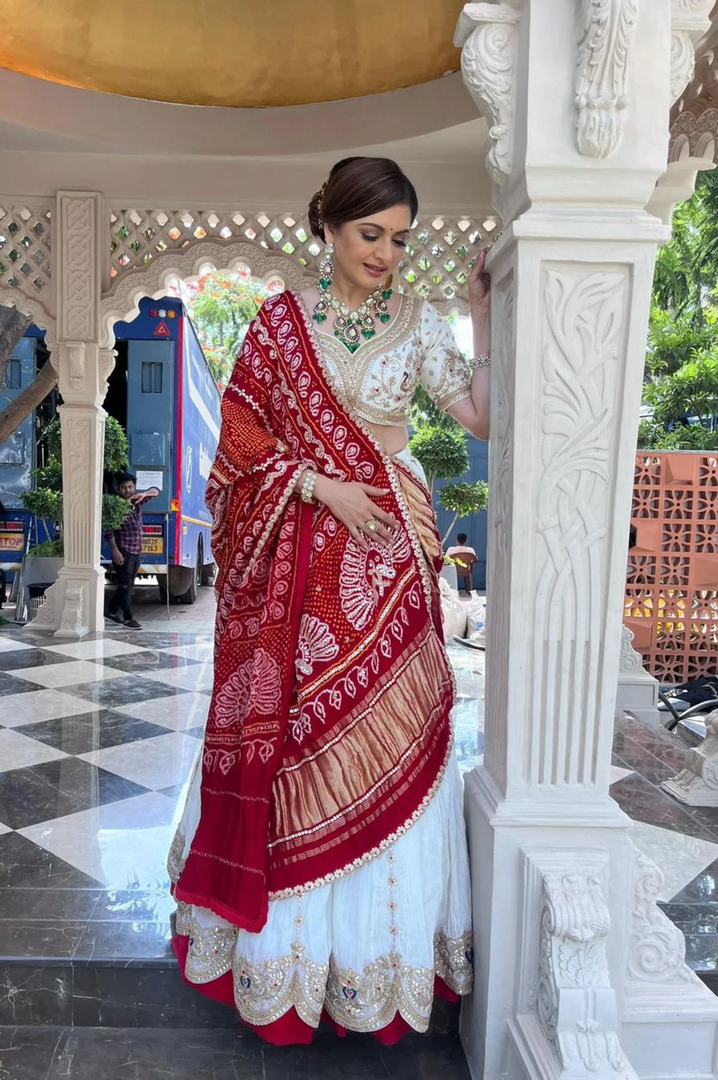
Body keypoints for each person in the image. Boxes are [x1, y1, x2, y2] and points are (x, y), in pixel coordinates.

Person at [168, 157, 491, 1044]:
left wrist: (487, 316)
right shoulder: (280, 323)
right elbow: (237, 440)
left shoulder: (422, 325)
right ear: (331, 229)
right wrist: (317, 482)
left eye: (398, 238)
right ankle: (291, 969)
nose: (385, 253)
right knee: (303, 734)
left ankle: (375, 970)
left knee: (400, 719)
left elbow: (483, 418)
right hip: (302, 558)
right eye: (370, 234)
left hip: (392, 550)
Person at [105, 472, 159, 630]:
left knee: (128, 585)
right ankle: (129, 618)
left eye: (130, 487)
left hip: (136, 551)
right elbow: (109, 531)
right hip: (123, 551)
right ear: (118, 489)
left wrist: (144, 494)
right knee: (124, 585)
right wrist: (115, 550)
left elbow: (156, 491)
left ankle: (112, 611)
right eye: (123, 487)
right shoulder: (116, 506)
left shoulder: (137, 502)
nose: (127, 490)